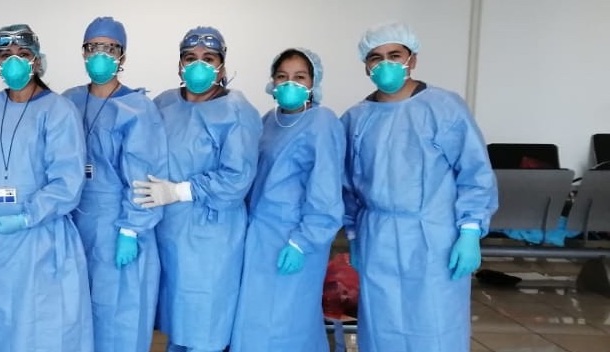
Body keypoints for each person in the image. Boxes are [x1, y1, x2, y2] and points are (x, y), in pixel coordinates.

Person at [342, 21, 498, 352]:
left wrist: (470, 231)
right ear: (366, 65)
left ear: (412, 59)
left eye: (394, 55)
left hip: (433, 236)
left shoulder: (443, 107)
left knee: (434, 324)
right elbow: (348, 186)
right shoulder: (356, 118)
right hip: (377, 237)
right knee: (382, 325)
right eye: (375, 57)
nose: (385, 64)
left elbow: (474, 172)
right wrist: (354, 235)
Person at [131, 26, 262, 352]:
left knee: (206, 326)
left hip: (212, 239)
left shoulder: (236, 111)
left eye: (208, 58)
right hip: (168, 233)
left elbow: (237, 178)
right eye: (190, 58)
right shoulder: (164, 104)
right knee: (178, 324)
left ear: (222, 65)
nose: (198, 65)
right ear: (179, 65)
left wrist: (178, 192)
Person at [0, 24, 92, 352]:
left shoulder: (58, 111)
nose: (14, 62)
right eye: (5, 55)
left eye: (22, 54)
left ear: (37, 60)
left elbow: (67, 182)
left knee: (40, 328)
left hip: (38, 241)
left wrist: (25, 216)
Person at [61, 17, 166, 352]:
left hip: (116, 223)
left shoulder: (136, 108)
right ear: (83, 52)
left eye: (109, 48)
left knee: (118, 315)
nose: (100, 55)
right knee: (77, 313)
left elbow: (143, 173)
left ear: (122, 56)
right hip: (75, 219)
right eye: (93, 47)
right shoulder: (69, 101)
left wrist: (131, 230)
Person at [230, 48, 345, 352]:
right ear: (272, 82)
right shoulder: (268, 121)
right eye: (282, 77)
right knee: (254, 321)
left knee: (289, 322)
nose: (289, 83)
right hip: (258, 238)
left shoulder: (322, 122)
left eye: (299, 77)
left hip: (295, 241)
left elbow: (326, 193)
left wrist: (302, 242)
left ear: (313, 82)